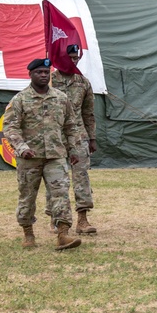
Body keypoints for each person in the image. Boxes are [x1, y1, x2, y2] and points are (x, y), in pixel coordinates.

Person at [3, 58, 83, 251]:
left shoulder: (61, 98)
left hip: (56, 156)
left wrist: (73, 149)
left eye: (46, 72)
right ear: (30, 74)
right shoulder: (20, 99)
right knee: (27, 196)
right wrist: (22, 147)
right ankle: (28, 233)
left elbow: (71, 126)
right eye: (39, 72)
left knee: (61, 194)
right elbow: (10, 127)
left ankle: (63, 234)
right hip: (29, 158)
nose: (43, 75)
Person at [47, 44, 98, 235]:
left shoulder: (83, 83)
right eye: (70, 57)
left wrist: (92, 138)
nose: (74, 60)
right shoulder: (49, 80)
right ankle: (55, 218)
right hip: (54, 137)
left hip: (78, 137)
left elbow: (88, 113)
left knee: (81, 177)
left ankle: (83, 220)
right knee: (55, 178)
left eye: (76, 57)